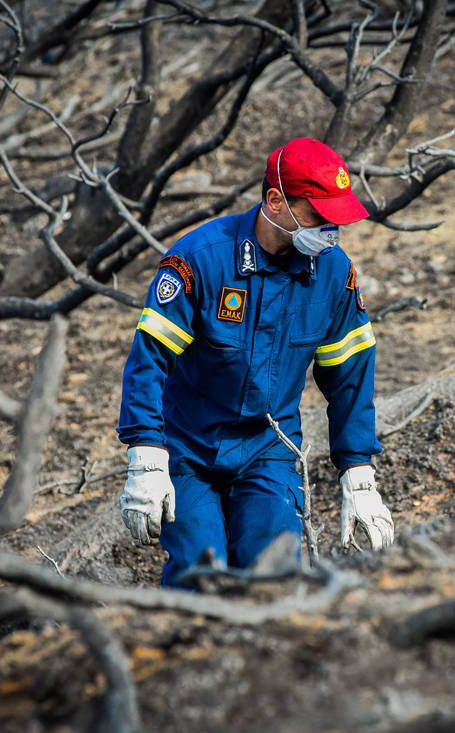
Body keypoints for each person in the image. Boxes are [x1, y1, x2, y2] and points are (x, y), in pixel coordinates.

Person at [117, 137, 394, 587]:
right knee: (199, 573)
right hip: (188, 448)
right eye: (319, 216)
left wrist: (358, 474)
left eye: (336, 220)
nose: (330, 232)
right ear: (275, 201)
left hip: (269, 448)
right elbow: (149, 360)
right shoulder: (199, 261)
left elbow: (350, 377)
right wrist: (146, 456)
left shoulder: (334, 274)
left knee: (274, 575)